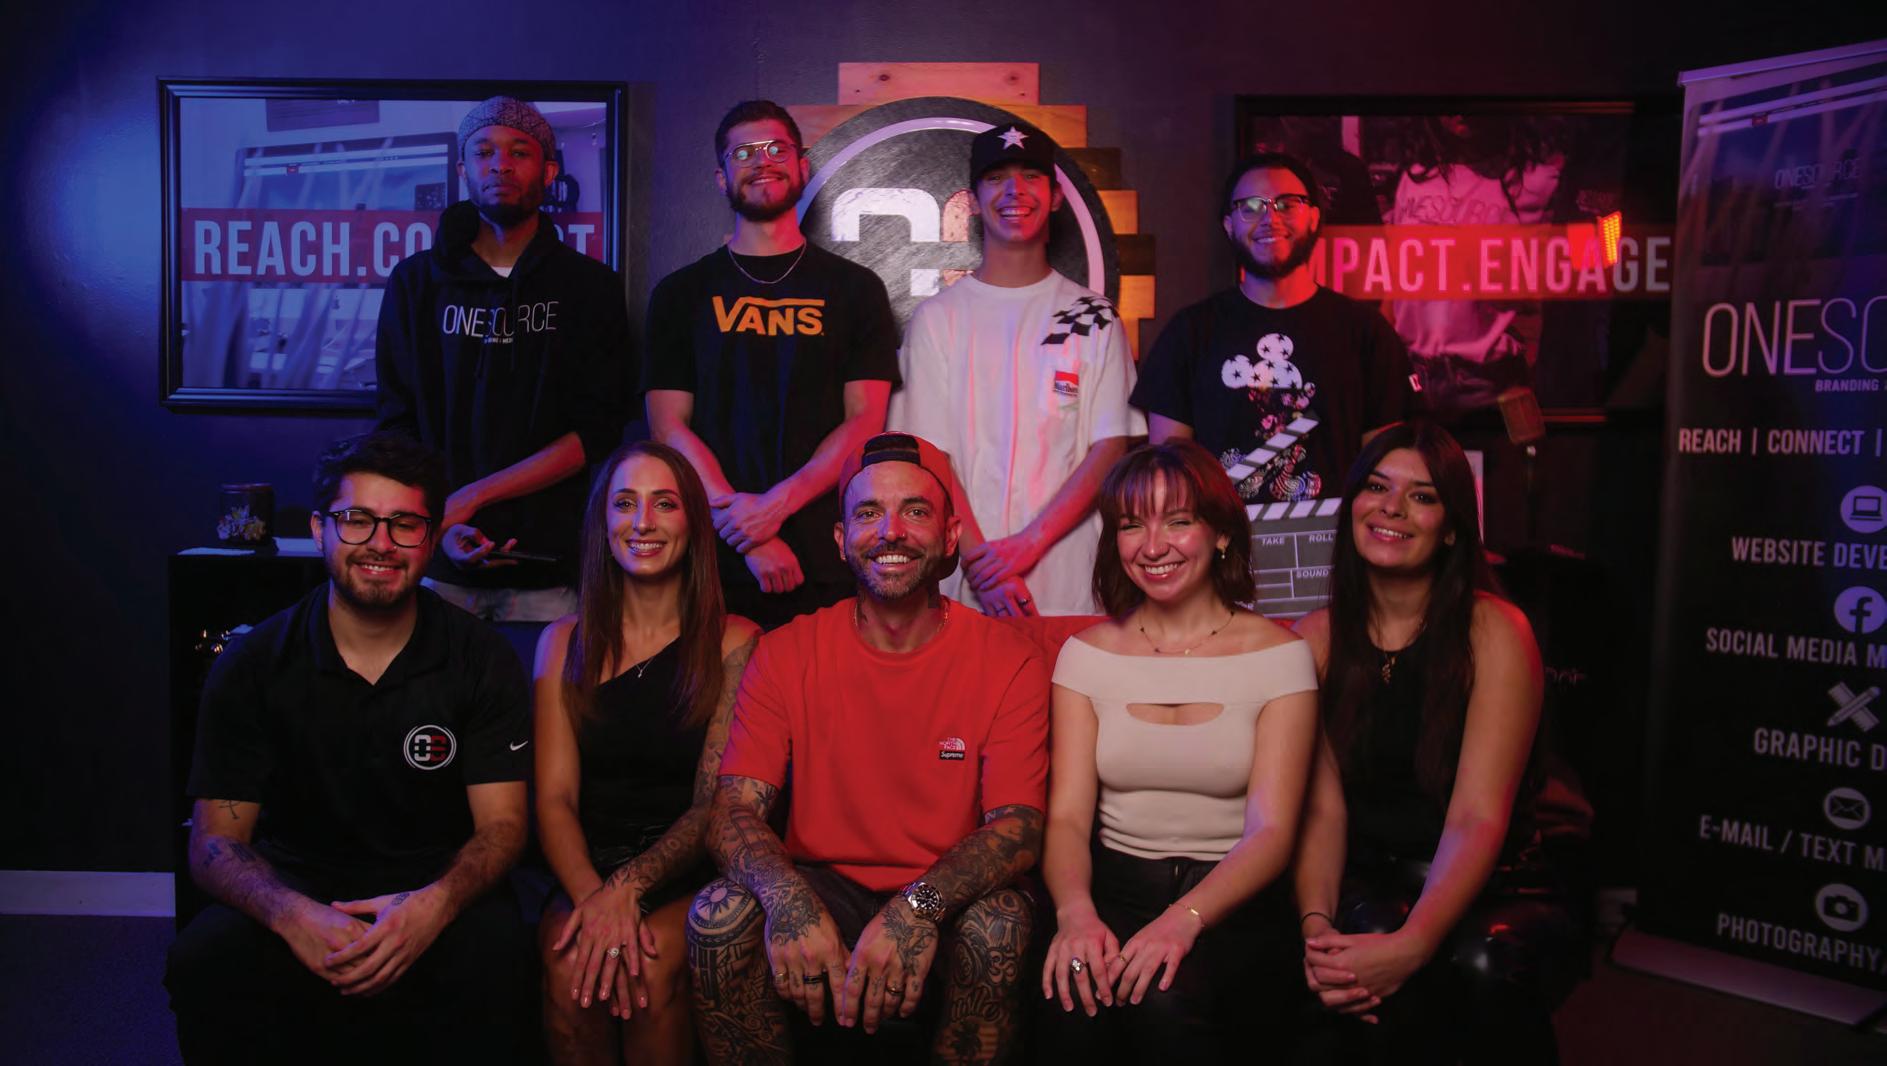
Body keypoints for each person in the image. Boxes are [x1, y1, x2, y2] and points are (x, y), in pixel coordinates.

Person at [165, 432, 533, 1065]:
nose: (380, 544)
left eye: (405, 524)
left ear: (431, 537)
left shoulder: (482, 658)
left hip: (436, 885)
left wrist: (431, 908)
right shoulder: (253, 663)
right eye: (357, 519)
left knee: (503, 958)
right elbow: (215, 843)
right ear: (320, 529)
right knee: (204, 960)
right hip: (296, 884)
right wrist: (292, 915)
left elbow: (503, 827)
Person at [685, 431, 1049, 1065]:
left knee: (1001, 925)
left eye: (915, 511)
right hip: (822, 887)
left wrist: (917, 909)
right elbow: (732, 809)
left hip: (945, 892)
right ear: (841, 538)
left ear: (951, 536)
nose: (891, 531)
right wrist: (789, 900)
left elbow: (1017, 829)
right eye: (869, 512)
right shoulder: (786, 651)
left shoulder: (1008, 657)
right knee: (717, 915)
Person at [1291, 421, 1578, 1065]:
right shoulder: (1313, 640)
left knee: (1480, 962)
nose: (1392, 507)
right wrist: (1316, 926)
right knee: (1357, 944)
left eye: (1422, 496)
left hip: (1496, 881)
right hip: (1366, 877)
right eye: (1376, 487)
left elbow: (1477, 815)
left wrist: (1415, 943)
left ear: (1451, 528)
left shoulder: (1496, 631)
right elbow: (1319, 812)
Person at [1037, 440, 1319, 1062]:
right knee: (1072, 999)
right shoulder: (1085, 656)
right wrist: (1076, 914)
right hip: (1113, 890)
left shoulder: (1281, 655)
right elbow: (1067, 819)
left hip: (1231, 902)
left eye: (1178, 521)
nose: (1152, 545)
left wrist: (1183, 920)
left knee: (1160, 999)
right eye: (1131, 525)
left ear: (1221, 533)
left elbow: (1273, 832)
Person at [532, 441, 761, 1064]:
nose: (643, 522)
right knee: (571, 968)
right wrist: (594, 899)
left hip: (690, 868)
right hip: (586, 864)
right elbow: (554, 799)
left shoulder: (735, 641)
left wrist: (629, 891)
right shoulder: (561, 642)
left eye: (665, 503)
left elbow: (714, 805)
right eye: (625, 503)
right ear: (602, 522)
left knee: (648, 969)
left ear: (693, 522)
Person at [644, 100, 901, 629]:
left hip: (825, 554)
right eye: (743, 152)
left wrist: (775, 508)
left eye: (776, 148)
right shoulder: (681, 293)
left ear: (802, 166)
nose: (762, 160)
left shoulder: (856, 289)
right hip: (714, 554)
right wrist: (746, 529)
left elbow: (865, 421)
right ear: (721, 177)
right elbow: (667, 426)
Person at [376, 95, 632, 621]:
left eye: (520, 152)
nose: (500, 165)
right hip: (438, 564)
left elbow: (597, 432)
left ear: (549, 171)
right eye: (484, 151)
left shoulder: (590, 287)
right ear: (462, 169)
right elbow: (397, 423)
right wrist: (440, 522)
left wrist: (471, 497)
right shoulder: (415, 283)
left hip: (549, 572)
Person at [888, 119, 1143, 619]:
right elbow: (928, 455)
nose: (1014, 191)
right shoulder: (938, 319)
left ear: (1055, 196)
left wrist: (1029, 543)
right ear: (973, 200)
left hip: (1070, 581)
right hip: (966, 581)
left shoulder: (1093, 316)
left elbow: (1110, 446)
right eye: (996, 177)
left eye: (1030, 176)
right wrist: (984, 564)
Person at [1131, 152, 1414, 504]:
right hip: (1222, 537)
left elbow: (1387, 472)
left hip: (1334, 537)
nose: (1270, 219)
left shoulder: (1367, 333)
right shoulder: (1188, 334)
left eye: (1287, 204)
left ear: (1314, 217)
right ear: (1228, 225)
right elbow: (1168, 474)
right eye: (1251, 207)